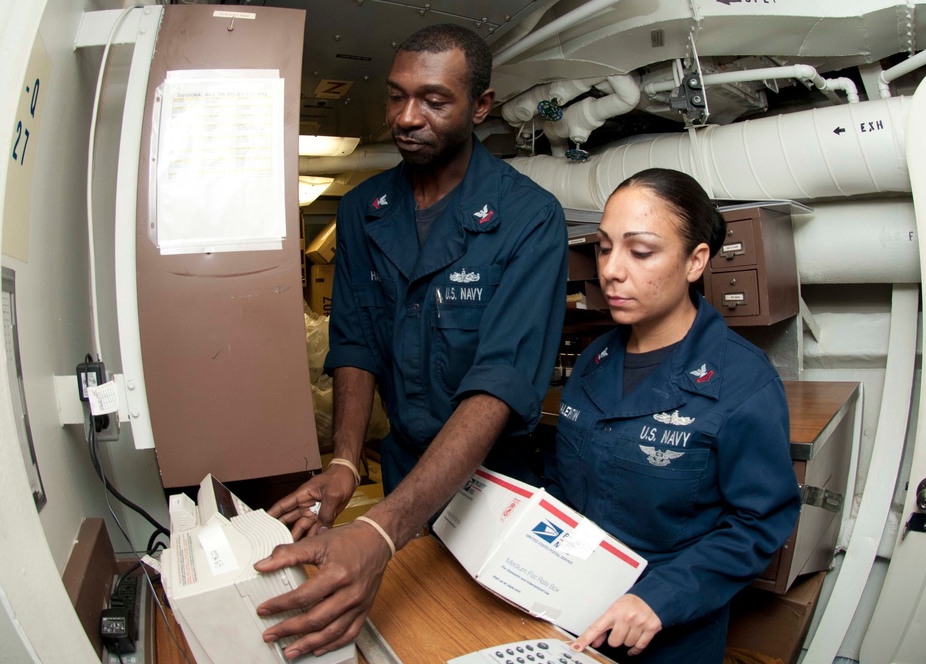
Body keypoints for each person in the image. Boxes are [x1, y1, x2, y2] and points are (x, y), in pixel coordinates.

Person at [253, 23, 568, 659]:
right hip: (401, 470)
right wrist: (345, 459)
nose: (406, 117)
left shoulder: (529, 217)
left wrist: (381, 528)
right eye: (396, 96)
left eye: (433, 100)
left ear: (480, 106)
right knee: (401, 638)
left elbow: (499, 385)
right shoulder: (364, 209)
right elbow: (356, 342)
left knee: (484, 642)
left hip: (494, 484)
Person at [546, 168, 801, 662]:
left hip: (670, 636)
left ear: (695, 261)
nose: (611, 270)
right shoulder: (594, 361)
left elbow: (758, 523)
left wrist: (657, 599)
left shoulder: (743, 383)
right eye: (603, 247)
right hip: (572, 614)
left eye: (640, 251)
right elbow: (565, 484)